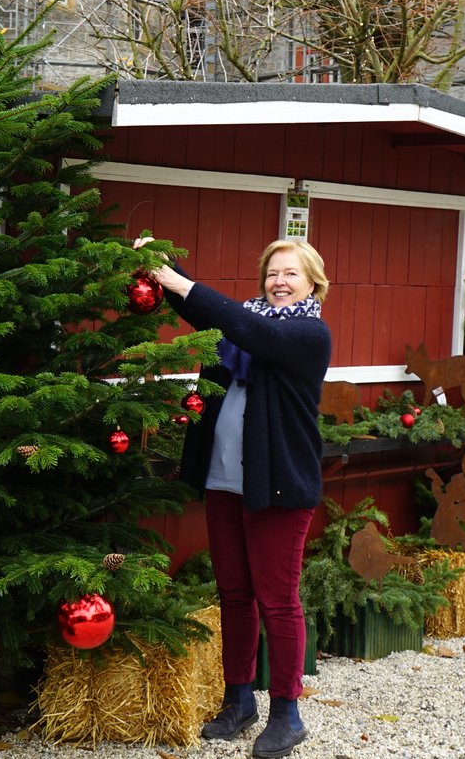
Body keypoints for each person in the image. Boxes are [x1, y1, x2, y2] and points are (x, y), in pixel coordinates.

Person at [138, 236, 330, 759]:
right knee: (235, 594)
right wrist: (160, 265)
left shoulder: (307, 334)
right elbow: (211, 315)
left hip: (279, 485)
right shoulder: (242, 326)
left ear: (313, 283)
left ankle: (287, 714)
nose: (279, 282)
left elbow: (250, 329)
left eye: (290, 273)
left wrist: (182, 283)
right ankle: (238, 701)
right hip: (224, 478)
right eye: (272, 273)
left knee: (277, 600)